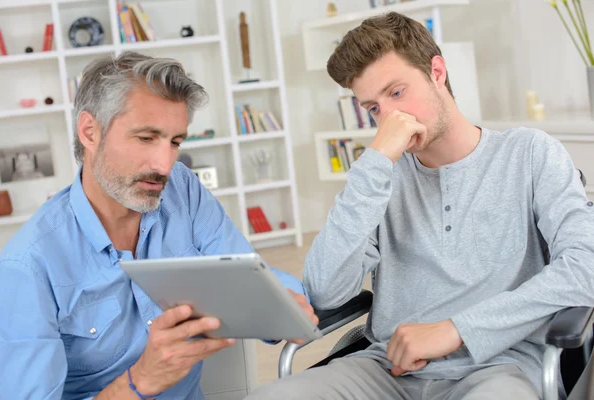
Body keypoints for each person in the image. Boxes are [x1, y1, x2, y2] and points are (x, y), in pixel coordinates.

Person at [246, 11, 594, 400]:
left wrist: (456, 329)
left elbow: (584, 267)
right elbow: (325, 292)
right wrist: (372, 167)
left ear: (438, 73)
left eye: (396, 92)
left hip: (499, 367)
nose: (390, 117)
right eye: (374, 108)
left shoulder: (530, 153)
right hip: (384, 370)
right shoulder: (380, 176)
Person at [0, 51, 317, 400]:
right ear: (89, 132)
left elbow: (247, 270)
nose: (164, 165)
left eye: (175, 141)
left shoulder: (182, 188)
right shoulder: (25, 269)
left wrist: (281, 304)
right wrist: (140, 380)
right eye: (146, 138)